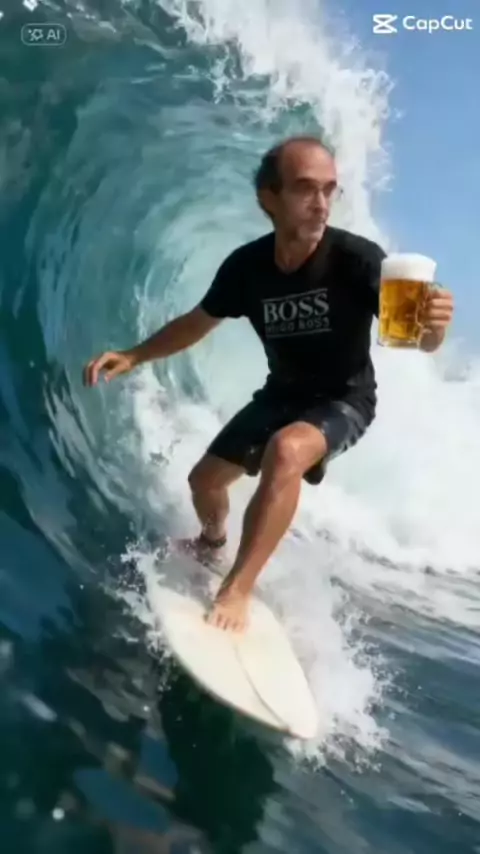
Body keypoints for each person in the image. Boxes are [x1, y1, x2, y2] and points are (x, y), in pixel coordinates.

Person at [83, 136, 455, 633]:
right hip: (282, 394)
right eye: (305, 189)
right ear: (269, 198)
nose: (321, 203)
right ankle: (211, 542)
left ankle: (238, 588)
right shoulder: (247, 267)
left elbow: (415, 340)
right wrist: (134, 355)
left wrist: (434, 330)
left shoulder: (358, 260)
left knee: (286, 451)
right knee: (204, 483)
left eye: (329, 189)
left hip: (344, 399)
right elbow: (198, 322)